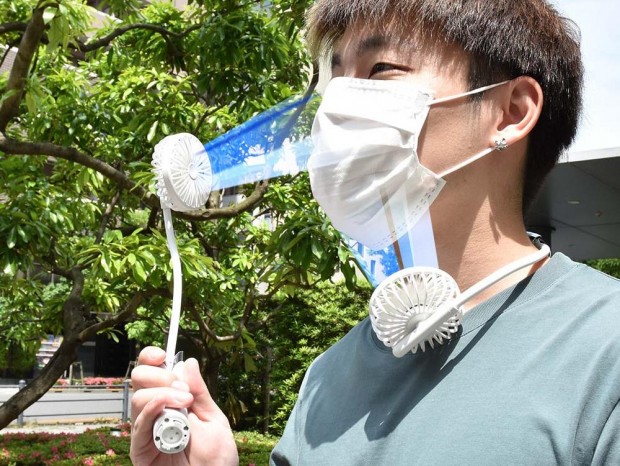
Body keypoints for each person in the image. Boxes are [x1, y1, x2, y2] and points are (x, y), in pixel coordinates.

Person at [130, 1, 620, 464]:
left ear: (511, 111)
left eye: (381, 69)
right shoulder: (326, 377)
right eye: (335, 80)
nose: (335, 110)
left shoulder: (604, 349)